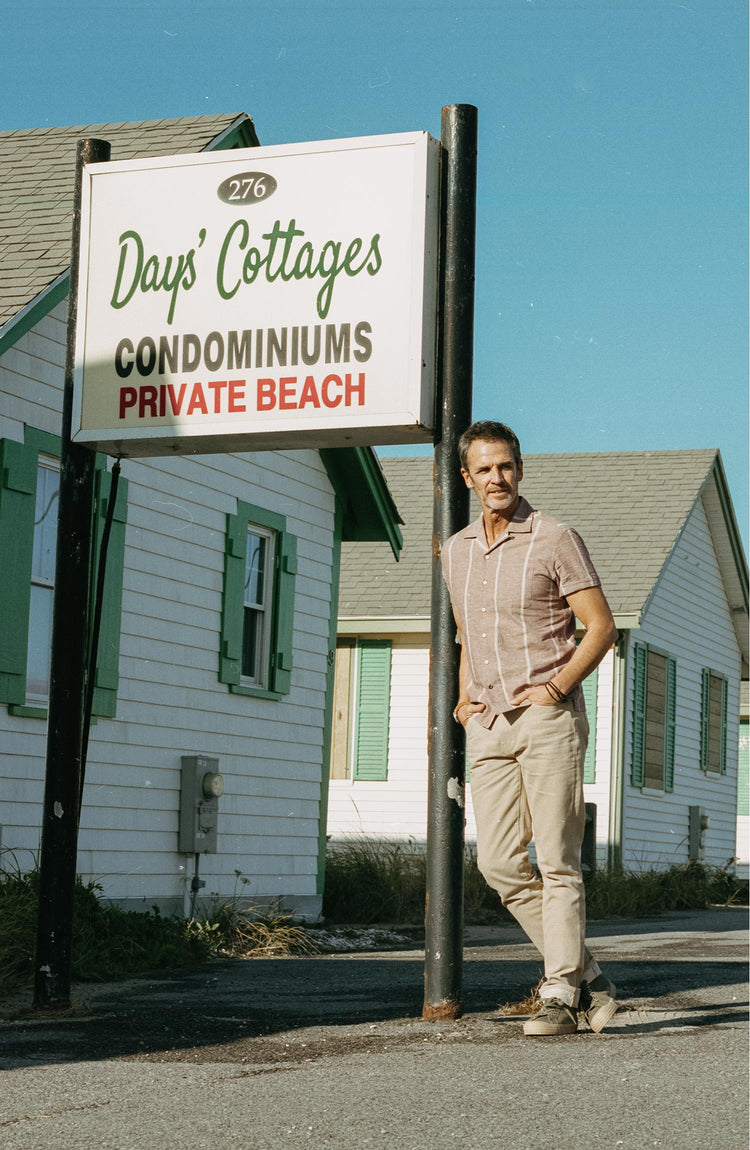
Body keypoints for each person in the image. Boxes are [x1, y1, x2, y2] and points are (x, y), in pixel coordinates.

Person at [441, 420, 620, 1036]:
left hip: (547, 720)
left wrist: (555, 690)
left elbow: (601, 627)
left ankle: (561, 991)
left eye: (506, 466)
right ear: (467, 478)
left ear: (520, 469)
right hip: (489, 724)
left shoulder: (555, 538)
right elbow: (469, 631)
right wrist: (466, 698)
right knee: (498, 864)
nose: (497, 478)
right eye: (484, 469)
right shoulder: (456, 549)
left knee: (560, 862)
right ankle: (589, 977)